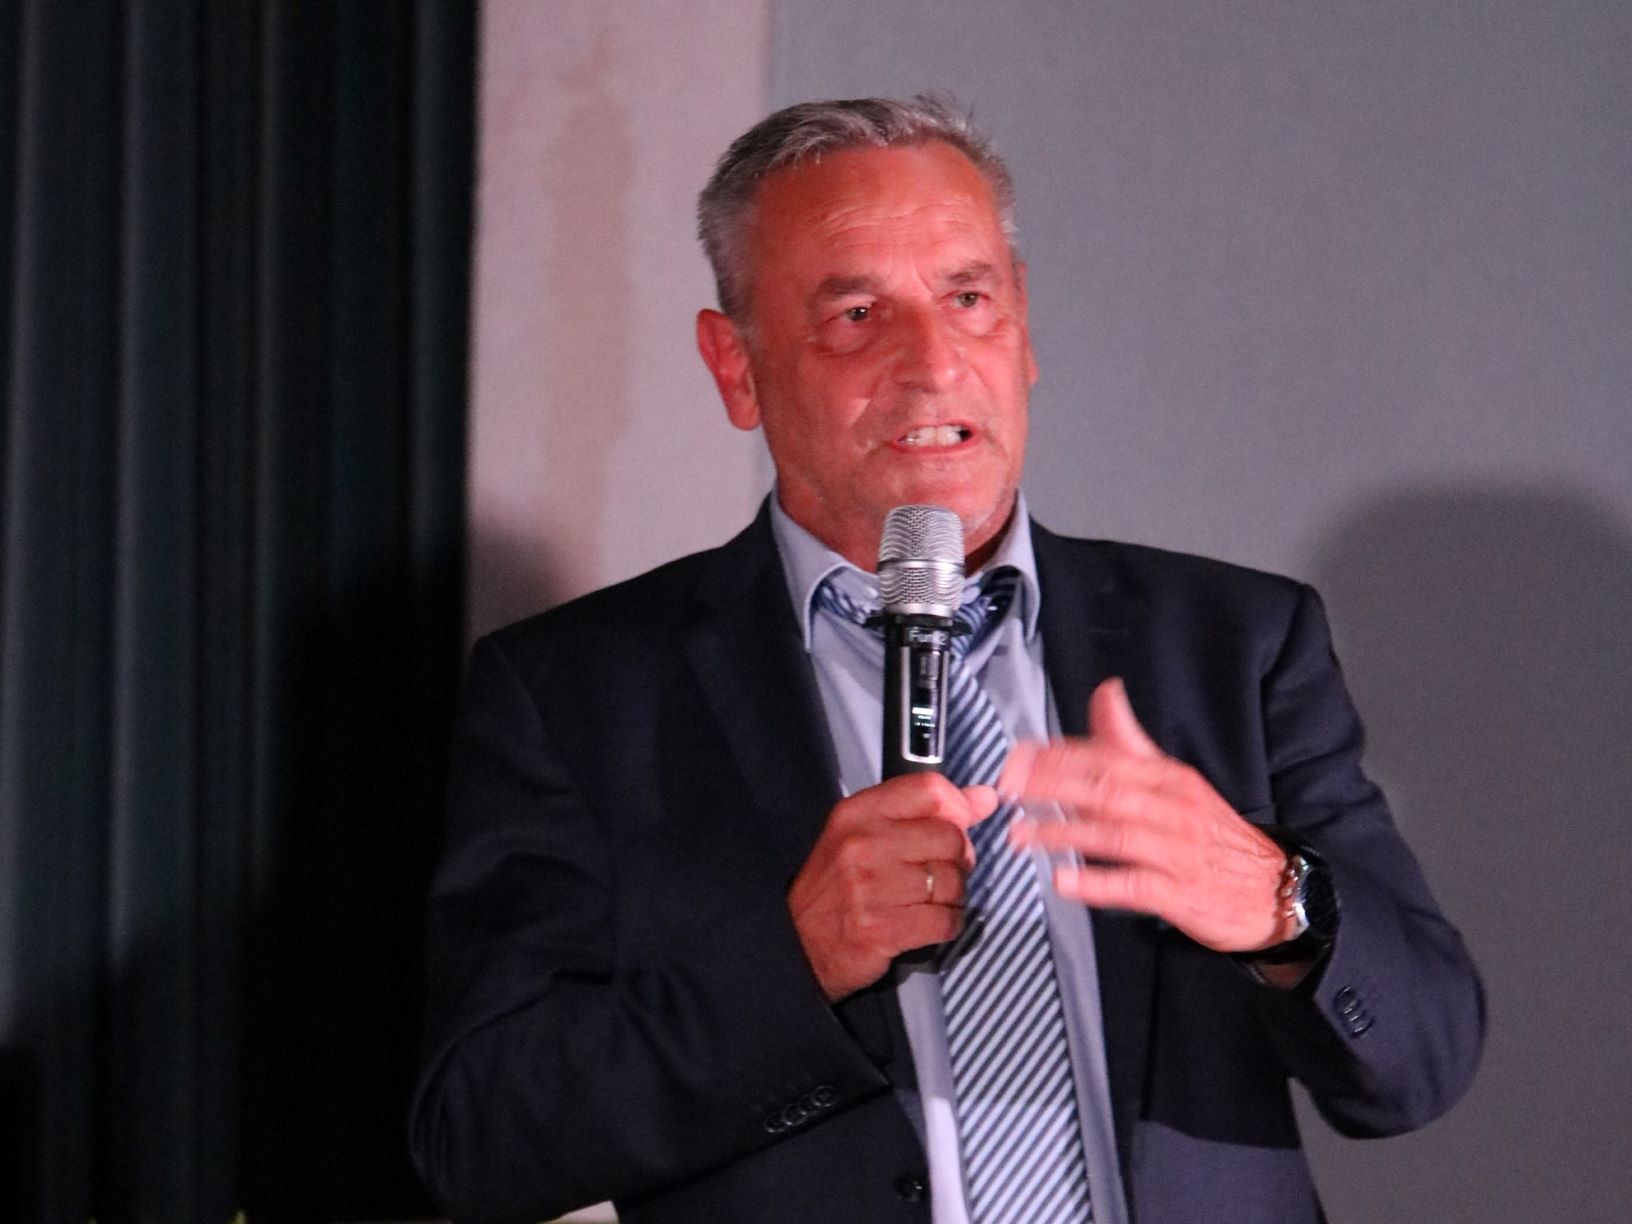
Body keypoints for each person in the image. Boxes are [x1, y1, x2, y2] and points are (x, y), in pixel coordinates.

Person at [410, 96, 1483, 1224]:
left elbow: (1422, 1062)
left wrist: (1279, 902)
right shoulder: (577, 693)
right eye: (857, 315)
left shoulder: (1236, 644)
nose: (932, 366)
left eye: (968, 300)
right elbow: (480, 1140)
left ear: (1023, 328)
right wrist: (797, 962)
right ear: (736, 367)